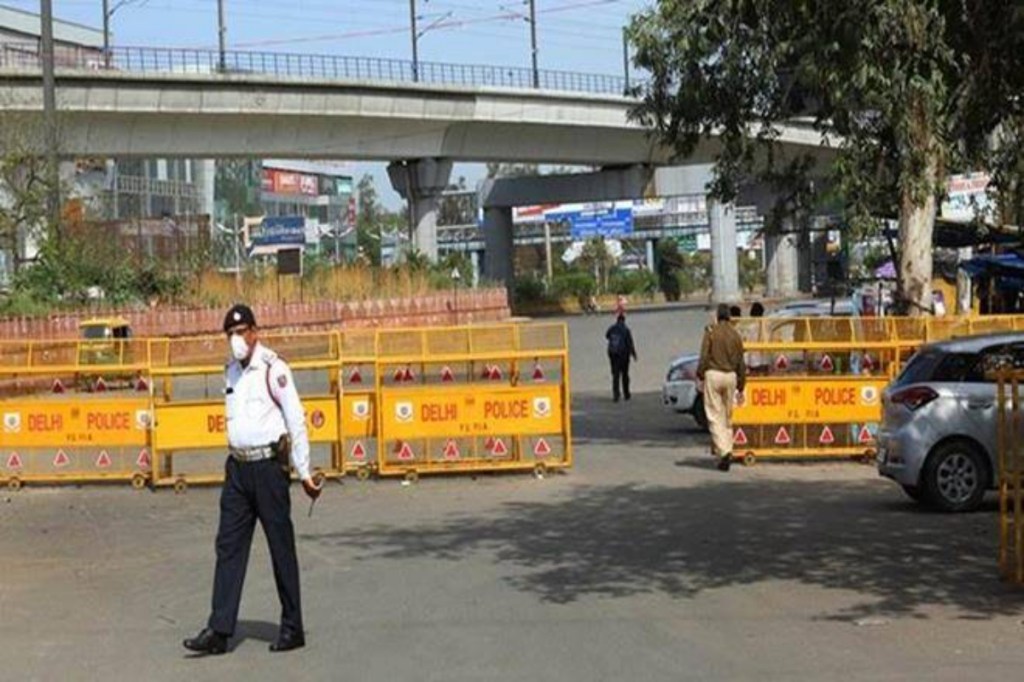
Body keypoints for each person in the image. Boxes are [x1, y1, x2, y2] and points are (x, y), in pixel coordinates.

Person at [184, 304, 323, 656]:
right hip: (238, 469)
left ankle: (292, 627)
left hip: (268, 469)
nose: (236, 339)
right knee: (228, 546)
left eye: (242, 331)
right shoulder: (230, 372)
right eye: (230, 334)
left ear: (255, 331)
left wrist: (304, 471)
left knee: (280, 547)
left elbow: (296, 419)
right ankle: (219, 629)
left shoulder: (274, 368)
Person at [697, 304, 747, 472]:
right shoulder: (736, 335)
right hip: (731, 376)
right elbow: (741, 362)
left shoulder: (711, 332)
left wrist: (700, 374)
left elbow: (704, 356)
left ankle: (724, 451)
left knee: (714, 415)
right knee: (727, 415)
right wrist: (741, 385)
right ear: (730, 317)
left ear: (718, 316)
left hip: (713, 375)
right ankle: (728, 449)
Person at [605, 313, 638, 402]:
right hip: (623, 355)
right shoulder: (626, 330)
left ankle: (616, 395)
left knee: (615, 375)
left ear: (617, 320)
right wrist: (634, 354)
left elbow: (607, 336)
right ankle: (626, 393)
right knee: (625, 375)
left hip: (613, 354)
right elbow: (630, 343)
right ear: (623, 320)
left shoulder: (612, 328)